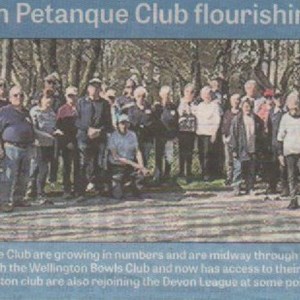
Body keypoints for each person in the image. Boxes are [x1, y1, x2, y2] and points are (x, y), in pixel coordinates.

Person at [75, 77, 112, 200]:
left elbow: (108, 123)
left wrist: (99, 130)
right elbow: (76, 121)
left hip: (99, 137)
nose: (95, 90)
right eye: (92, 87)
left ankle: (98, 189)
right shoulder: (81, 102)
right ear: (88, 88)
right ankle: (80, 191)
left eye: (97, 87)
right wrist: (88, 129)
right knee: (83, 164)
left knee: (99, 164)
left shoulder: (105, 104)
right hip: (84, 137)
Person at [0, 86, 35, 212]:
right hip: (11, 147)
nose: (19, 97)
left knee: (24, 175)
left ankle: (18, 199)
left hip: (27, 147)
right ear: (10, 98)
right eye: (15, 95)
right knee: (8, 176)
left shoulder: (26, 112)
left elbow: (31, 128)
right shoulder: (4, 111)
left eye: (21, 95)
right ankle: (4, 201)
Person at [29, 88, 63, 203]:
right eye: (47, 98)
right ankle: (38, 194)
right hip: (38, 144)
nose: (49, 100)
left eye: (51, 98)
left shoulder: (52, 113)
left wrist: (56, 131)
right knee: (40, 169)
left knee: (43, 169)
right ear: (41, 99)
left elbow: (53, 127)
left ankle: (36, 192)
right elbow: (33, 129)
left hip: (50, 145)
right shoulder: (35, 111)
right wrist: (48, 135)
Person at [108, 114, 149, 199]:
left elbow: (137, 151)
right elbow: (116, 157)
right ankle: (120, 187)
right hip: (117, 165)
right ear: (118, 124)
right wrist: (136, 165)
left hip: (130, 164)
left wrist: (141, 166)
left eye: (126, 123)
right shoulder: (113, 136)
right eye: (122, 123)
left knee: (140, 176)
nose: (124, 125)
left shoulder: (133, 135)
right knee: (117, 195)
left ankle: (134, 188)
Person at [230, 99, 264, 196]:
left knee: (251, 169)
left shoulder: (257, 119)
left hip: (253, 147)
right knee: (238, 169)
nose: (247, 108)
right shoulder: (237, 119)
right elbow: (233, 135)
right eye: (245, 106)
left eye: (249, 106)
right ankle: (237, 187)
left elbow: (260, 135)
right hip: (240, 148)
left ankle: (250, 187)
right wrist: (234, 149)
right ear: (241, 107)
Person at [192, 86, 221, 181]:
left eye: (208, 94)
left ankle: (209, 174)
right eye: (204, 94)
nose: (206, 96)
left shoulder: (214, 106)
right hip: (200, 133)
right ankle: (203, 172)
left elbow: (217, 120)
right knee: (201, 153)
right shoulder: (199, 105)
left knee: (208, 154)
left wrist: (214, 133)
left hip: (210, 133)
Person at [56, 86, 80, 199]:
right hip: (67, 142)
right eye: (70, 96)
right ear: (66, 96)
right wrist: (66, 142)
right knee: (67, 167)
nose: (72, 98)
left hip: (79, 141)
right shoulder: (62, 110)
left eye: (74, 96)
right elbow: (59, 128)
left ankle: (77, 189)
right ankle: (66, 190)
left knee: (78, 166)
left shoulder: (81, 108)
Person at [277, 92, 300, 209]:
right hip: (289, 152)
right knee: (291, 176)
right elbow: (280, 137)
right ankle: (293, 199)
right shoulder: (285, 118)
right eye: (291, 107)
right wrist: (280, 154)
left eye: (296, 107)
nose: (294, 110)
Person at [153, 86, 178, 184]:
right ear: (161, 95)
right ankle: (157, 176)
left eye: (168, 94)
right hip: (159, 136)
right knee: (158, 156)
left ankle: (167, 175)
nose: (167, 96)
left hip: (170, 136)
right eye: (165, 94)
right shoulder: (157, 107)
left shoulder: (173, 107)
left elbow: (176, 122)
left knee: (169, 157)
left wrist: (176, 135)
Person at [267, 92, 288, 196]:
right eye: (276, 98)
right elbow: (269, 128)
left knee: (284, 166)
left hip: (285, 143)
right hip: (273, 143)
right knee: (272, 166)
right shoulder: (271, 112)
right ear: (273, 100)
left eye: (280, 98)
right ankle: (272, 187)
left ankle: (285, 188)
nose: (279, 100)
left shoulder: (286, 112)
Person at [129, 86, 154, 167]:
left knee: (145, 158)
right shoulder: (131, 109)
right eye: (139, 96)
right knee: (135, 159)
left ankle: (143, 176)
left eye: (143, 96)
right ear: (135, 97)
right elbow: (132, 122)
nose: (141, 98)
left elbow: (151, 121)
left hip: (147, 138)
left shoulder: (149, 108)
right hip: (136, 137)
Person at [177, 83, 196, 183]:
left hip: (192, 131)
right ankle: (181, 172)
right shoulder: (180, 102)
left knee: (190, 152)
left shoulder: (195, 103)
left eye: (192, 92)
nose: (189, 94)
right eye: (187, 91)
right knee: (182, 152)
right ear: (184, 92)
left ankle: (188, 171)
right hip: (182, 131)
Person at [221, 93, 241, 185]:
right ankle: (229, 177)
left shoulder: (242, 113)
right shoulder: (227, 113)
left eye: (238, 100)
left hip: (239, 140)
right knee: (228, 160)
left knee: (237, 159)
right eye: (234, 100)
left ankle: (238, 178)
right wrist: (224, 136)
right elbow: (224, 125)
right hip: (228, 138)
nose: (236, 102)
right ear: (230, 102)